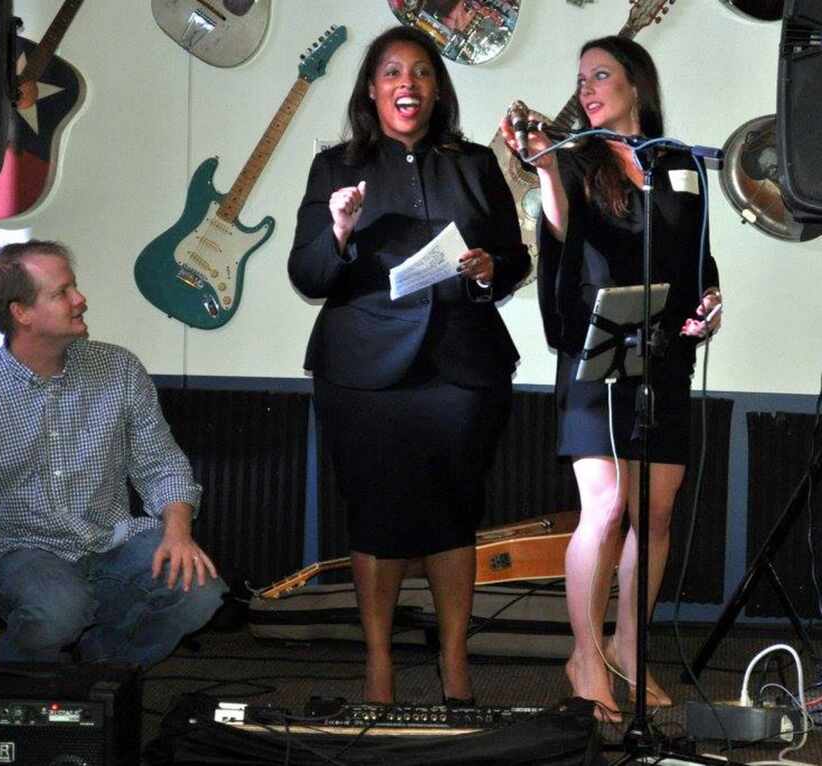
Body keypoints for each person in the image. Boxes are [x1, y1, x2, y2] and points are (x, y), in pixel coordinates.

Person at [289, 25, 529, 704]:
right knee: (378, 518)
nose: (408, 84)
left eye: (421, 73)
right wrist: (337, 230)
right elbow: (307, 273)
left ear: (437, 88)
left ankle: (456, 666)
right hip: (364, 369)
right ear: (371, 89)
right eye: (393, 72)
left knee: (455, 516)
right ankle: (379, 666)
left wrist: (489, 268)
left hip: (463, 368)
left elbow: (514, 257)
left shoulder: (475, 162)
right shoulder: (335, 167)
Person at [501, 37, 722, 721]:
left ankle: (630, 646)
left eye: (601, 75)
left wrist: (711, 301)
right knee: (603, 507)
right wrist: (542, 168)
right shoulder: (572, 158)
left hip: (664, 354)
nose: (588, 87)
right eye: (581, 78)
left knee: (654, 511)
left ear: (637, 85)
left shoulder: (679, 162)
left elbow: (698, 252)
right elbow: (562, 230)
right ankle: (586, 657)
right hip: (597, 351)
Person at [0, 240, 227, 667]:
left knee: (199, 593)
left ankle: (104, 680)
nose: (80, 300)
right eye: (61, 293)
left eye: (74, 287)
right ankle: (14, 688)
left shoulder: (117, 368)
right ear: (21, 313)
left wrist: (178, 533)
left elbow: (162, 464)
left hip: (111, 539)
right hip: (22, 549)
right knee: (58, 611)